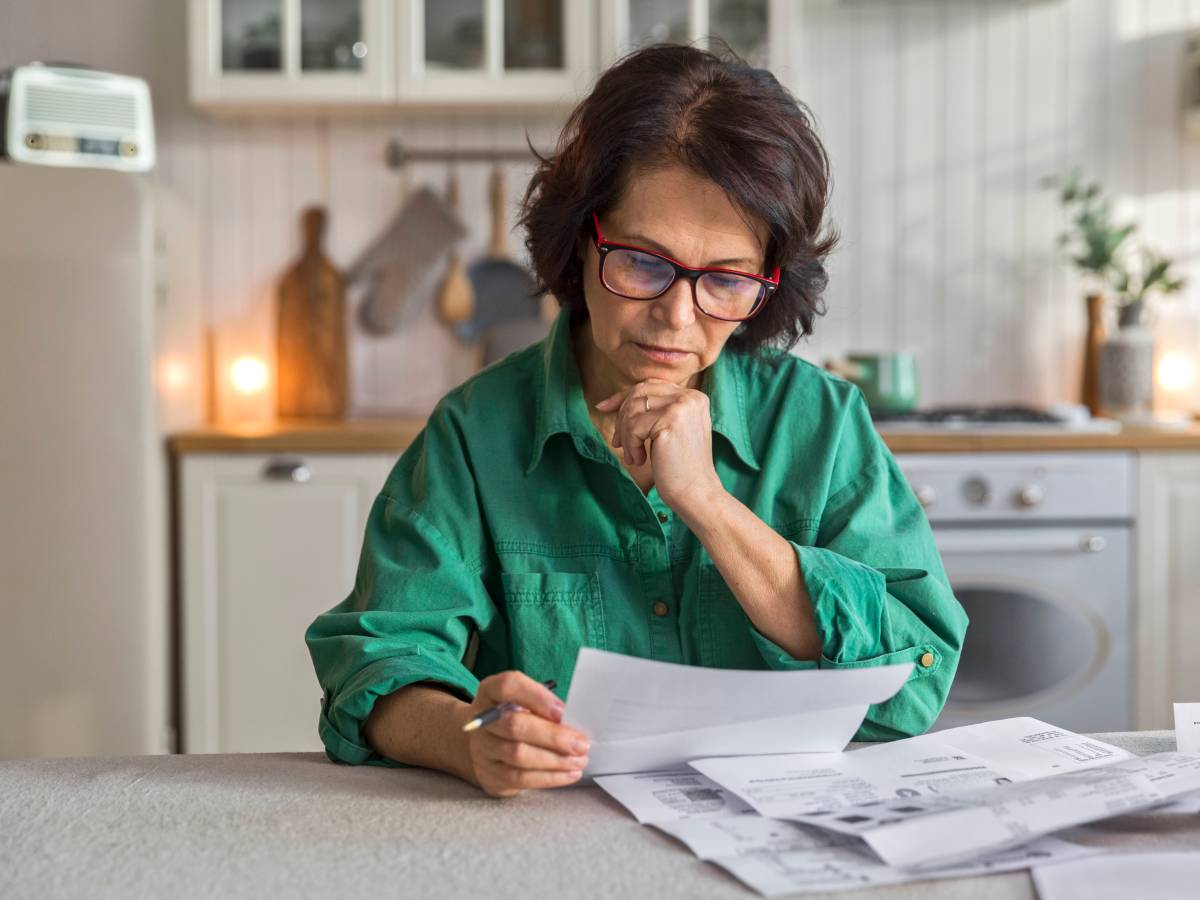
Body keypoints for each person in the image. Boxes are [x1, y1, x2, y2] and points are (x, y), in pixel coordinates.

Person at [305, 43, 968, 798]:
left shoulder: (819, 424)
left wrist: (711, 508)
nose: (676, 318)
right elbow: (377, 666)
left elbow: (914, 682)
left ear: (768, 282)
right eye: (643, 263)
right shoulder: (475, 431)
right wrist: (469, 740)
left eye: (724, 279)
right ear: (581, 240)